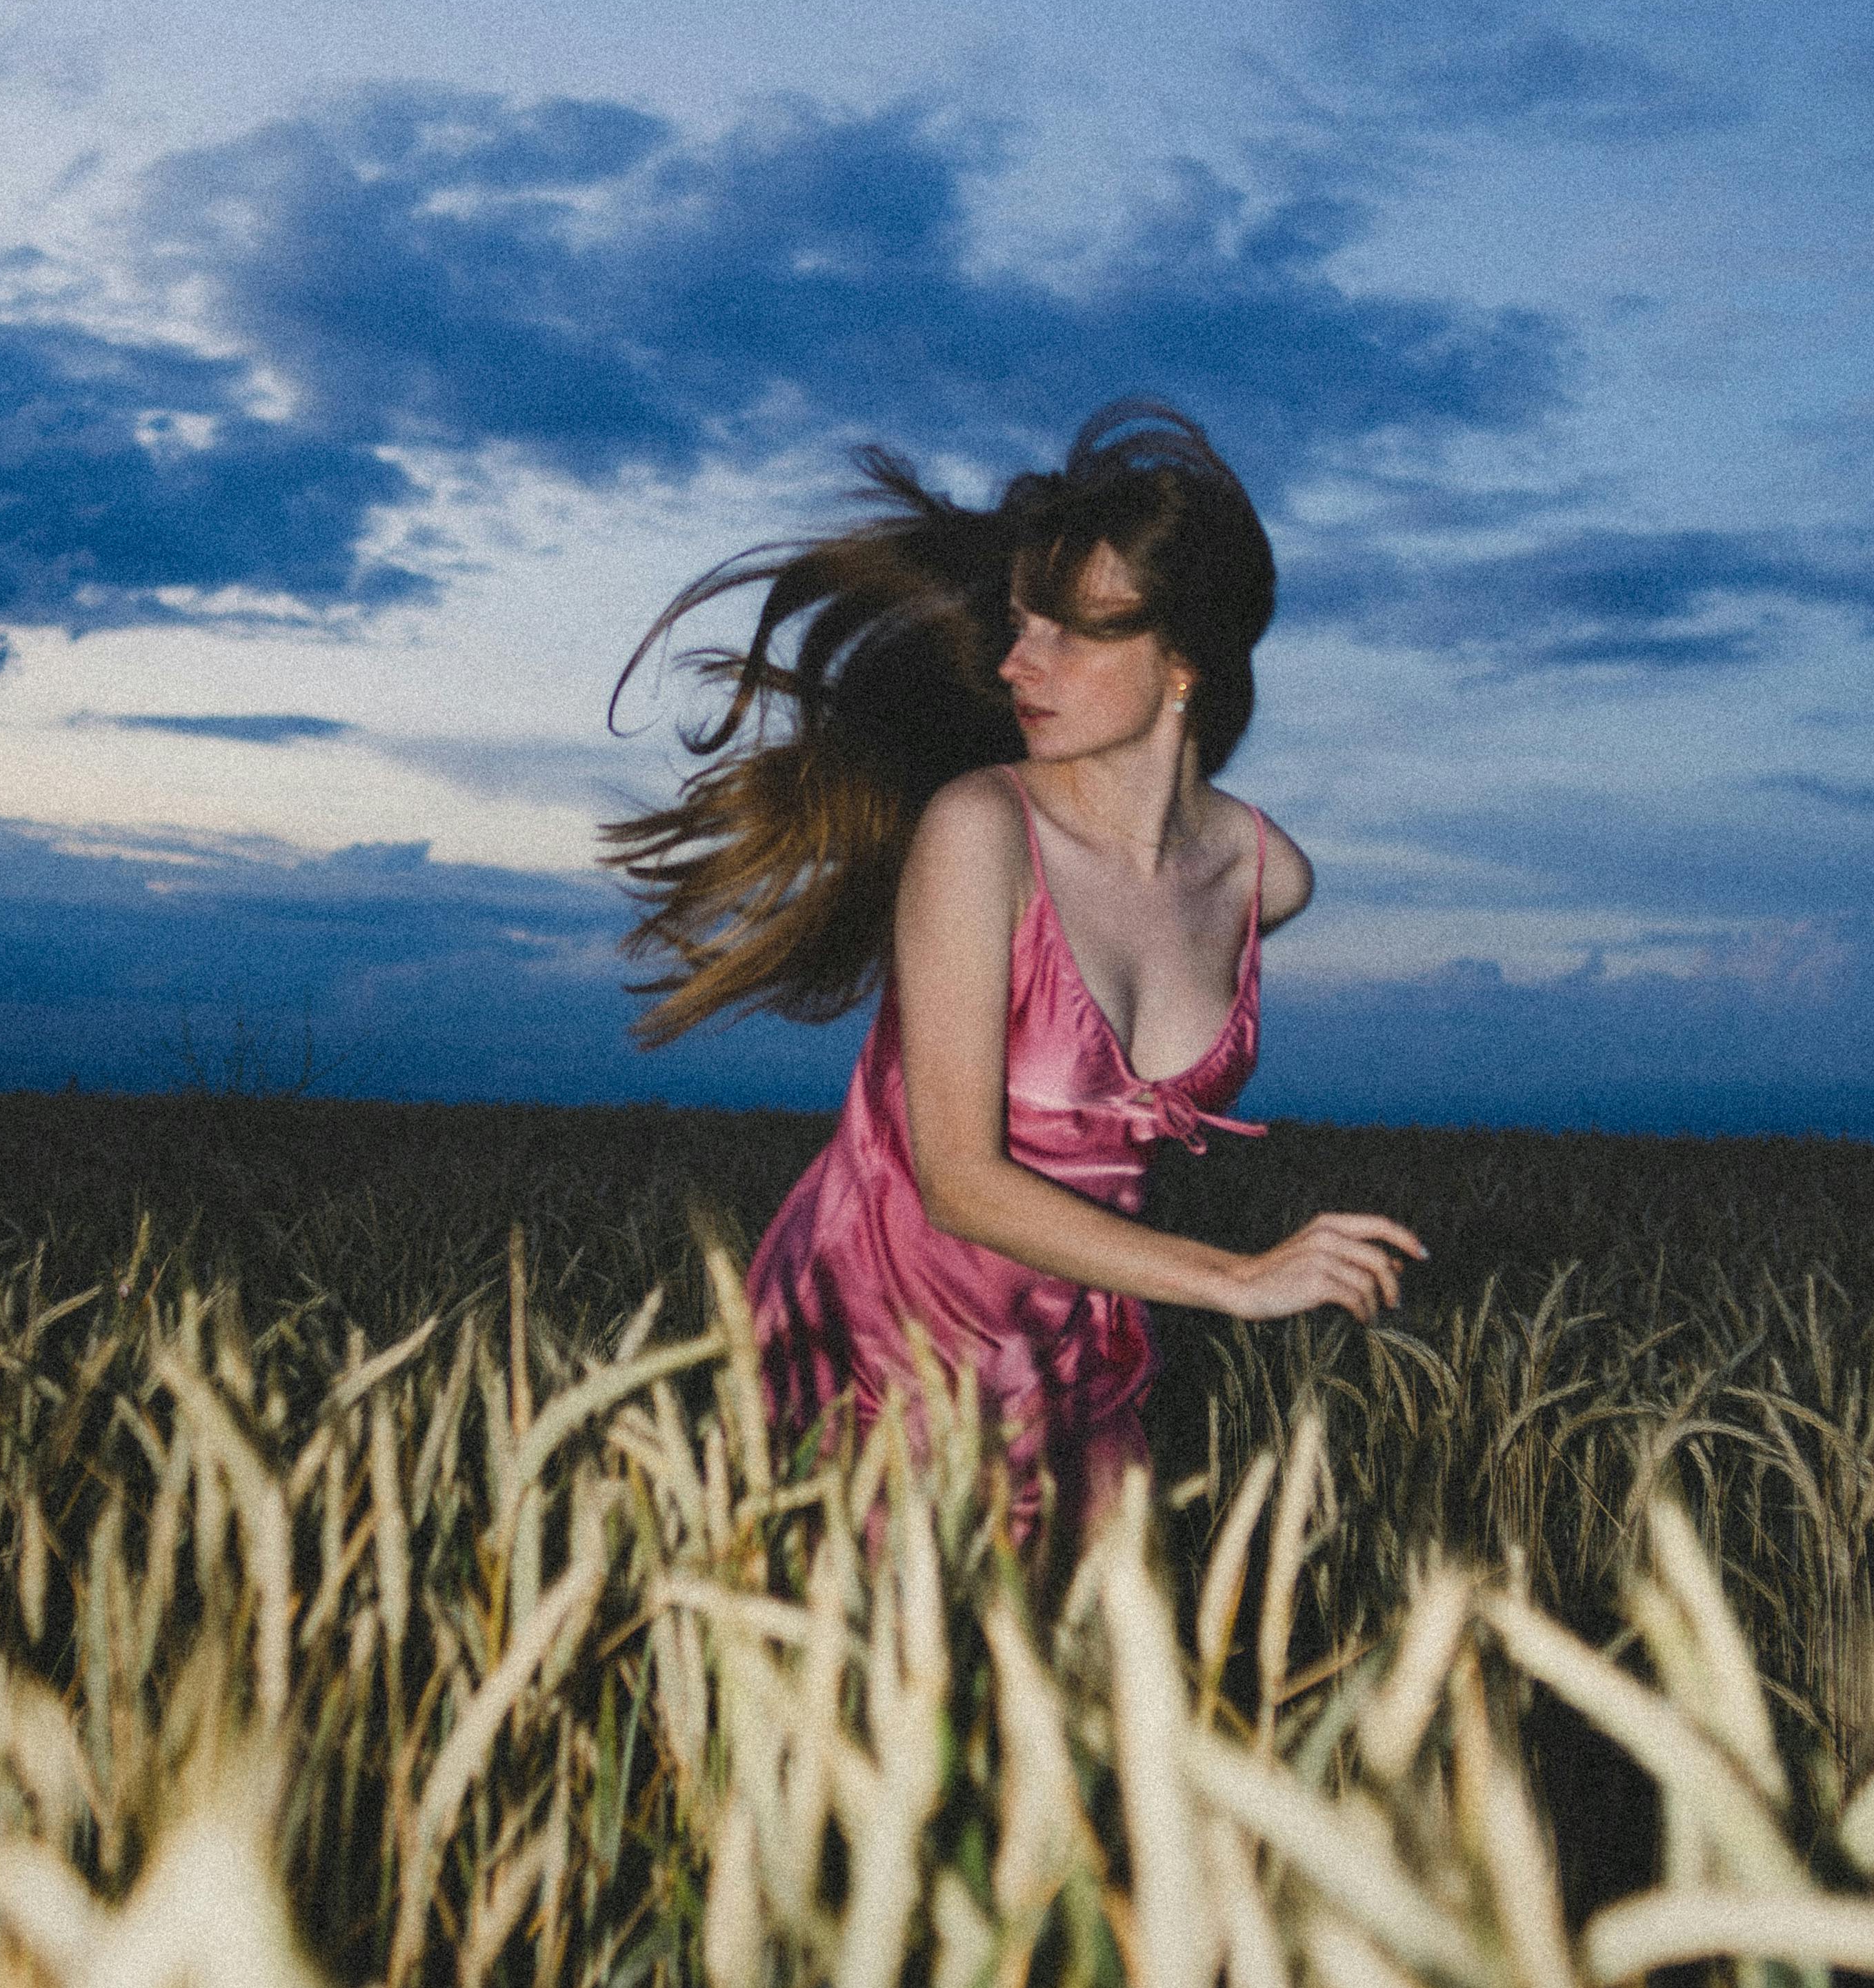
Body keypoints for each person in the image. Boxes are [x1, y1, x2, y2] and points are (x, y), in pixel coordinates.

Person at [605, 401, 1425, 1529]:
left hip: (1083, 1333)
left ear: (1183, 660)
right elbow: (956, 1176)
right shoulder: (978, 831)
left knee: (1115, 1682)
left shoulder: (1265, 876)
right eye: (1020, 621)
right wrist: (1237, 1277)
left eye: (1071, 633)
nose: (1015, 662)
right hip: (892, 1332)